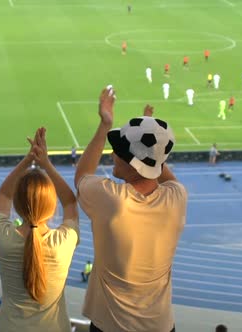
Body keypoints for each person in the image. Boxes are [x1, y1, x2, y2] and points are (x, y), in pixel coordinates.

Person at [74, 87, 187, 332]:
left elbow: (82, 175)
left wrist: (105, 125)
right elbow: (158, 169)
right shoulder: (177, 198)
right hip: (162, 325)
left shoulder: (113, 201)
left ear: (134, 165)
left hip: (110, 326)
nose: (113, 154)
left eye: (120, 152)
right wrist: (153, 138)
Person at [0, 127, 79, 332]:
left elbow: (3, 194)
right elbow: (70, 203)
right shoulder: (64, 241)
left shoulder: (2, 235)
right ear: (52, 206)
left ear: (17, 206)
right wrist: (45, 163)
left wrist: (28, 159)